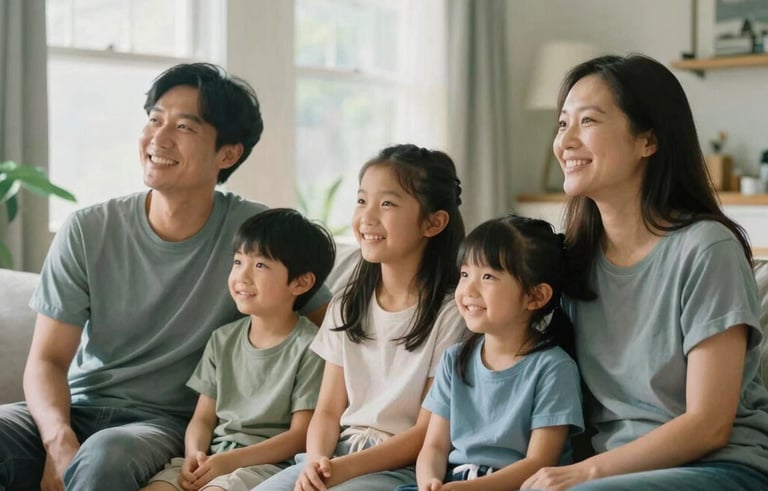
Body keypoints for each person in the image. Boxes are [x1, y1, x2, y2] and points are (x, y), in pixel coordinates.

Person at [0, 63, 330, 491]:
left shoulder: (256, 235)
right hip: (76, 408)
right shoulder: (88, 229)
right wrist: (59, 443)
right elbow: (47, 360)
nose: (159, 137)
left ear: (227, 153)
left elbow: (332, 332)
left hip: (162, 425)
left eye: (184, 127)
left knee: (106, 454)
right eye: (154, 119)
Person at [521, 54, 768, 491]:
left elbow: (709, 425)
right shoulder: (571, 260)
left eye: (588, 121)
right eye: (562, 124)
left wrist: (583, 473)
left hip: (717, 467)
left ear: (647, 141)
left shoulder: (706, 248)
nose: (565, 141)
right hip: (610, 473)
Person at [252, 144, 468, 491]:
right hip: (332, 456)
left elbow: (424, 432)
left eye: (387, 203)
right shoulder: (346, 303)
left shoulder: (452, 314)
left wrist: (342, 470)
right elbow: (326, 411)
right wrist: (319, 460)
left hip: (399, 467)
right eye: (361, 200)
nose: (367, 217)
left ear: (433, 222)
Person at [140, 208, 335, 491]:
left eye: (260, 266)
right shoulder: (223, 339)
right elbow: (203, 418)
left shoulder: (310, 346)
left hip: (263, 466)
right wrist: (194, 454)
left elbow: (300, 435)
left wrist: (229, 462)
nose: (242, 276)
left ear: (300, 282)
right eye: (238, 261)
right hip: (212, 458)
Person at [395, 215, 585, 491]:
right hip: (452, 483)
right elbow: (434, 446)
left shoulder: (553, 368)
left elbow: (540, 463)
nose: (469, 289)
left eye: (488, 277)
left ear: (536, 296)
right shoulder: (454, 360)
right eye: (464, 274)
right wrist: (430, 483)